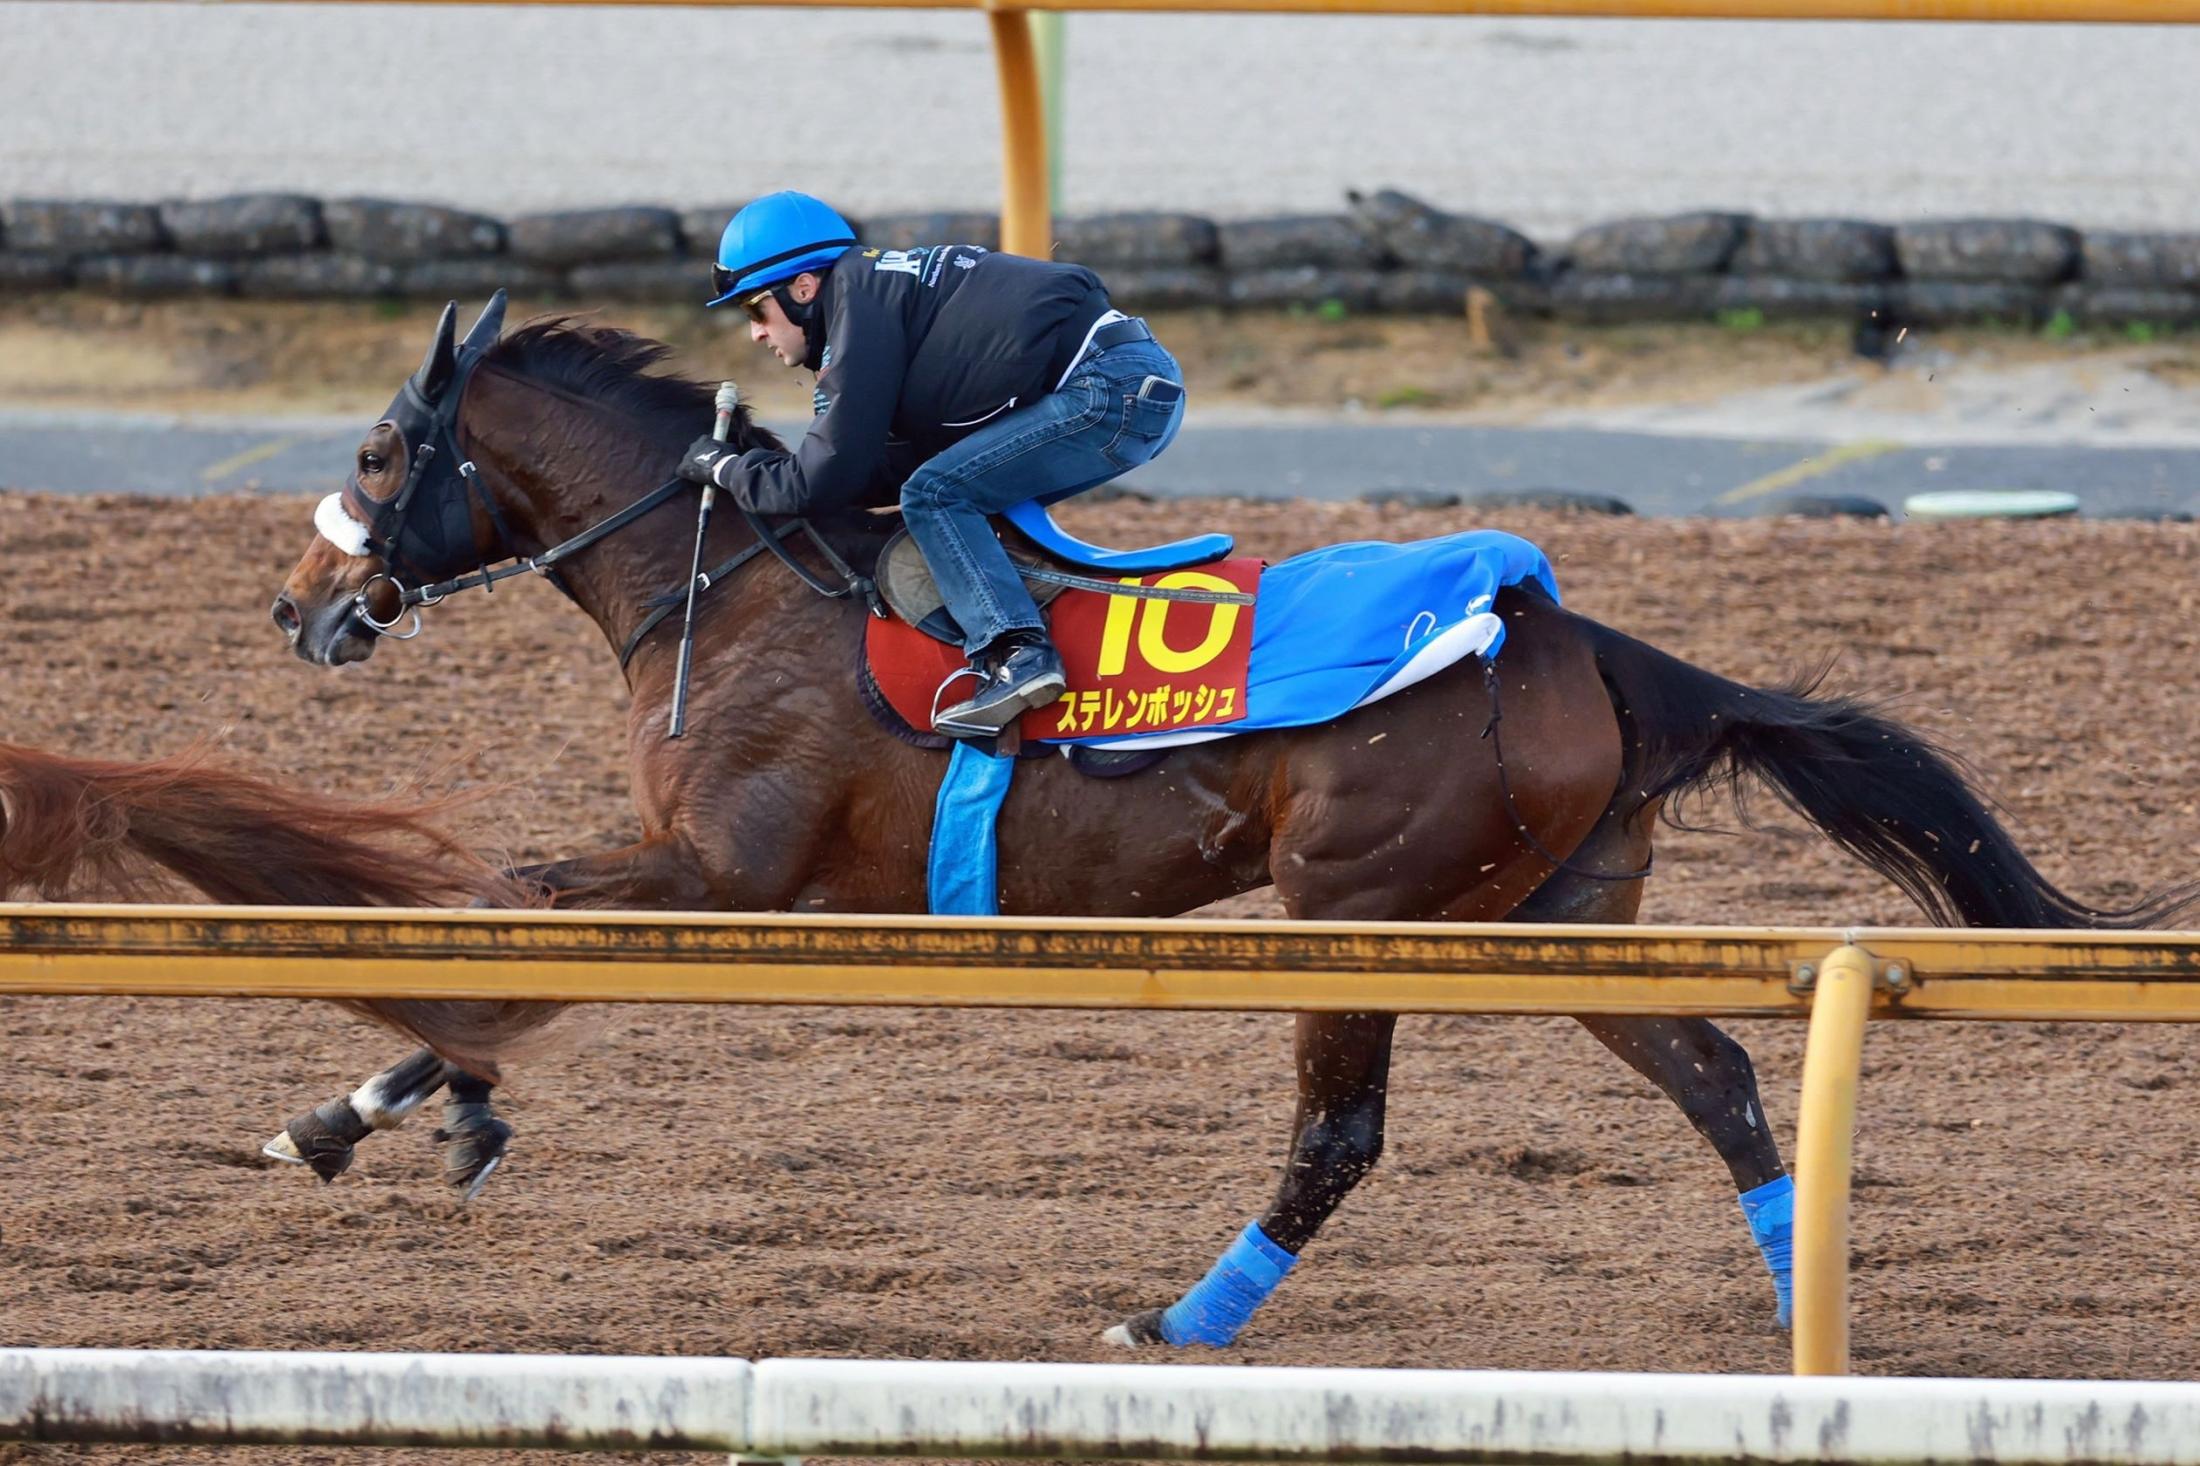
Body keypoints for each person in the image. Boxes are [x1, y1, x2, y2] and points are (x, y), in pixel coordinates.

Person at [677, 191, 1186, 737]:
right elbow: (864, 471)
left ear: (803, 288)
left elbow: (825, 477)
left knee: (938, 495)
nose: (755, 332)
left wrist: (726, 469)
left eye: (756, 309)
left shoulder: (857, 307)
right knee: (942, 490)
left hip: (1107, 393)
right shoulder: (875, 295)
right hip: (1128, 386)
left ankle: (1019, 654)